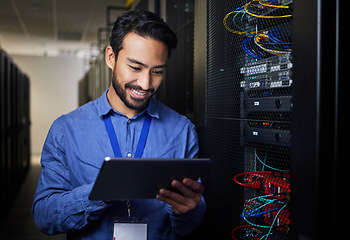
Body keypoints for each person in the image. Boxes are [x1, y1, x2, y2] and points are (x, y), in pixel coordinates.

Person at [32, 10, 206, 239]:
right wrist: (100, 192)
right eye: (135, 68)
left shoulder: (182, 131)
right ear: (111, 57)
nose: (145, 84)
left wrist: (188, 211)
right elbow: (44, 216)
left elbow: (188, 224)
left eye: (157, 71)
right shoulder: (66, 130)